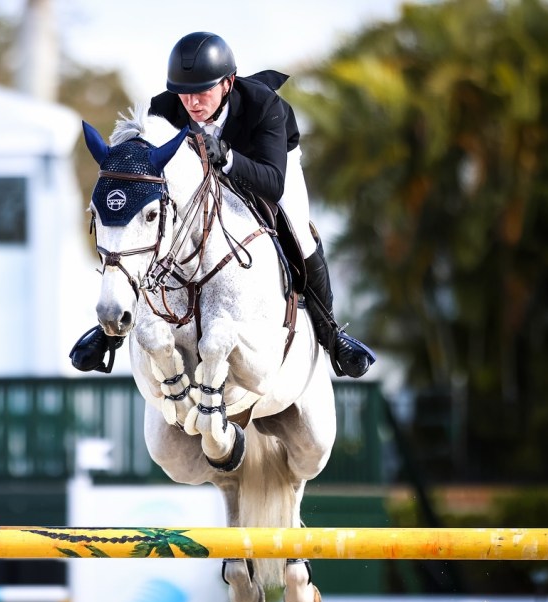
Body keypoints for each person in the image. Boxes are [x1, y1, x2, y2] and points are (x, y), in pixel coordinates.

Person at [71, 31, 375, 378]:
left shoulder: (265, 107)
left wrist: (228, 158)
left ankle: (332, 334)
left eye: (203, 92)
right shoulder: (164, 109)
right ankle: (111, 334)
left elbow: (274, 184)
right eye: (184, 92)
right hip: (201, 180)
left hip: (265, 165)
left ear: (228, 83)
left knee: (298, 228)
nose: (192, 102)